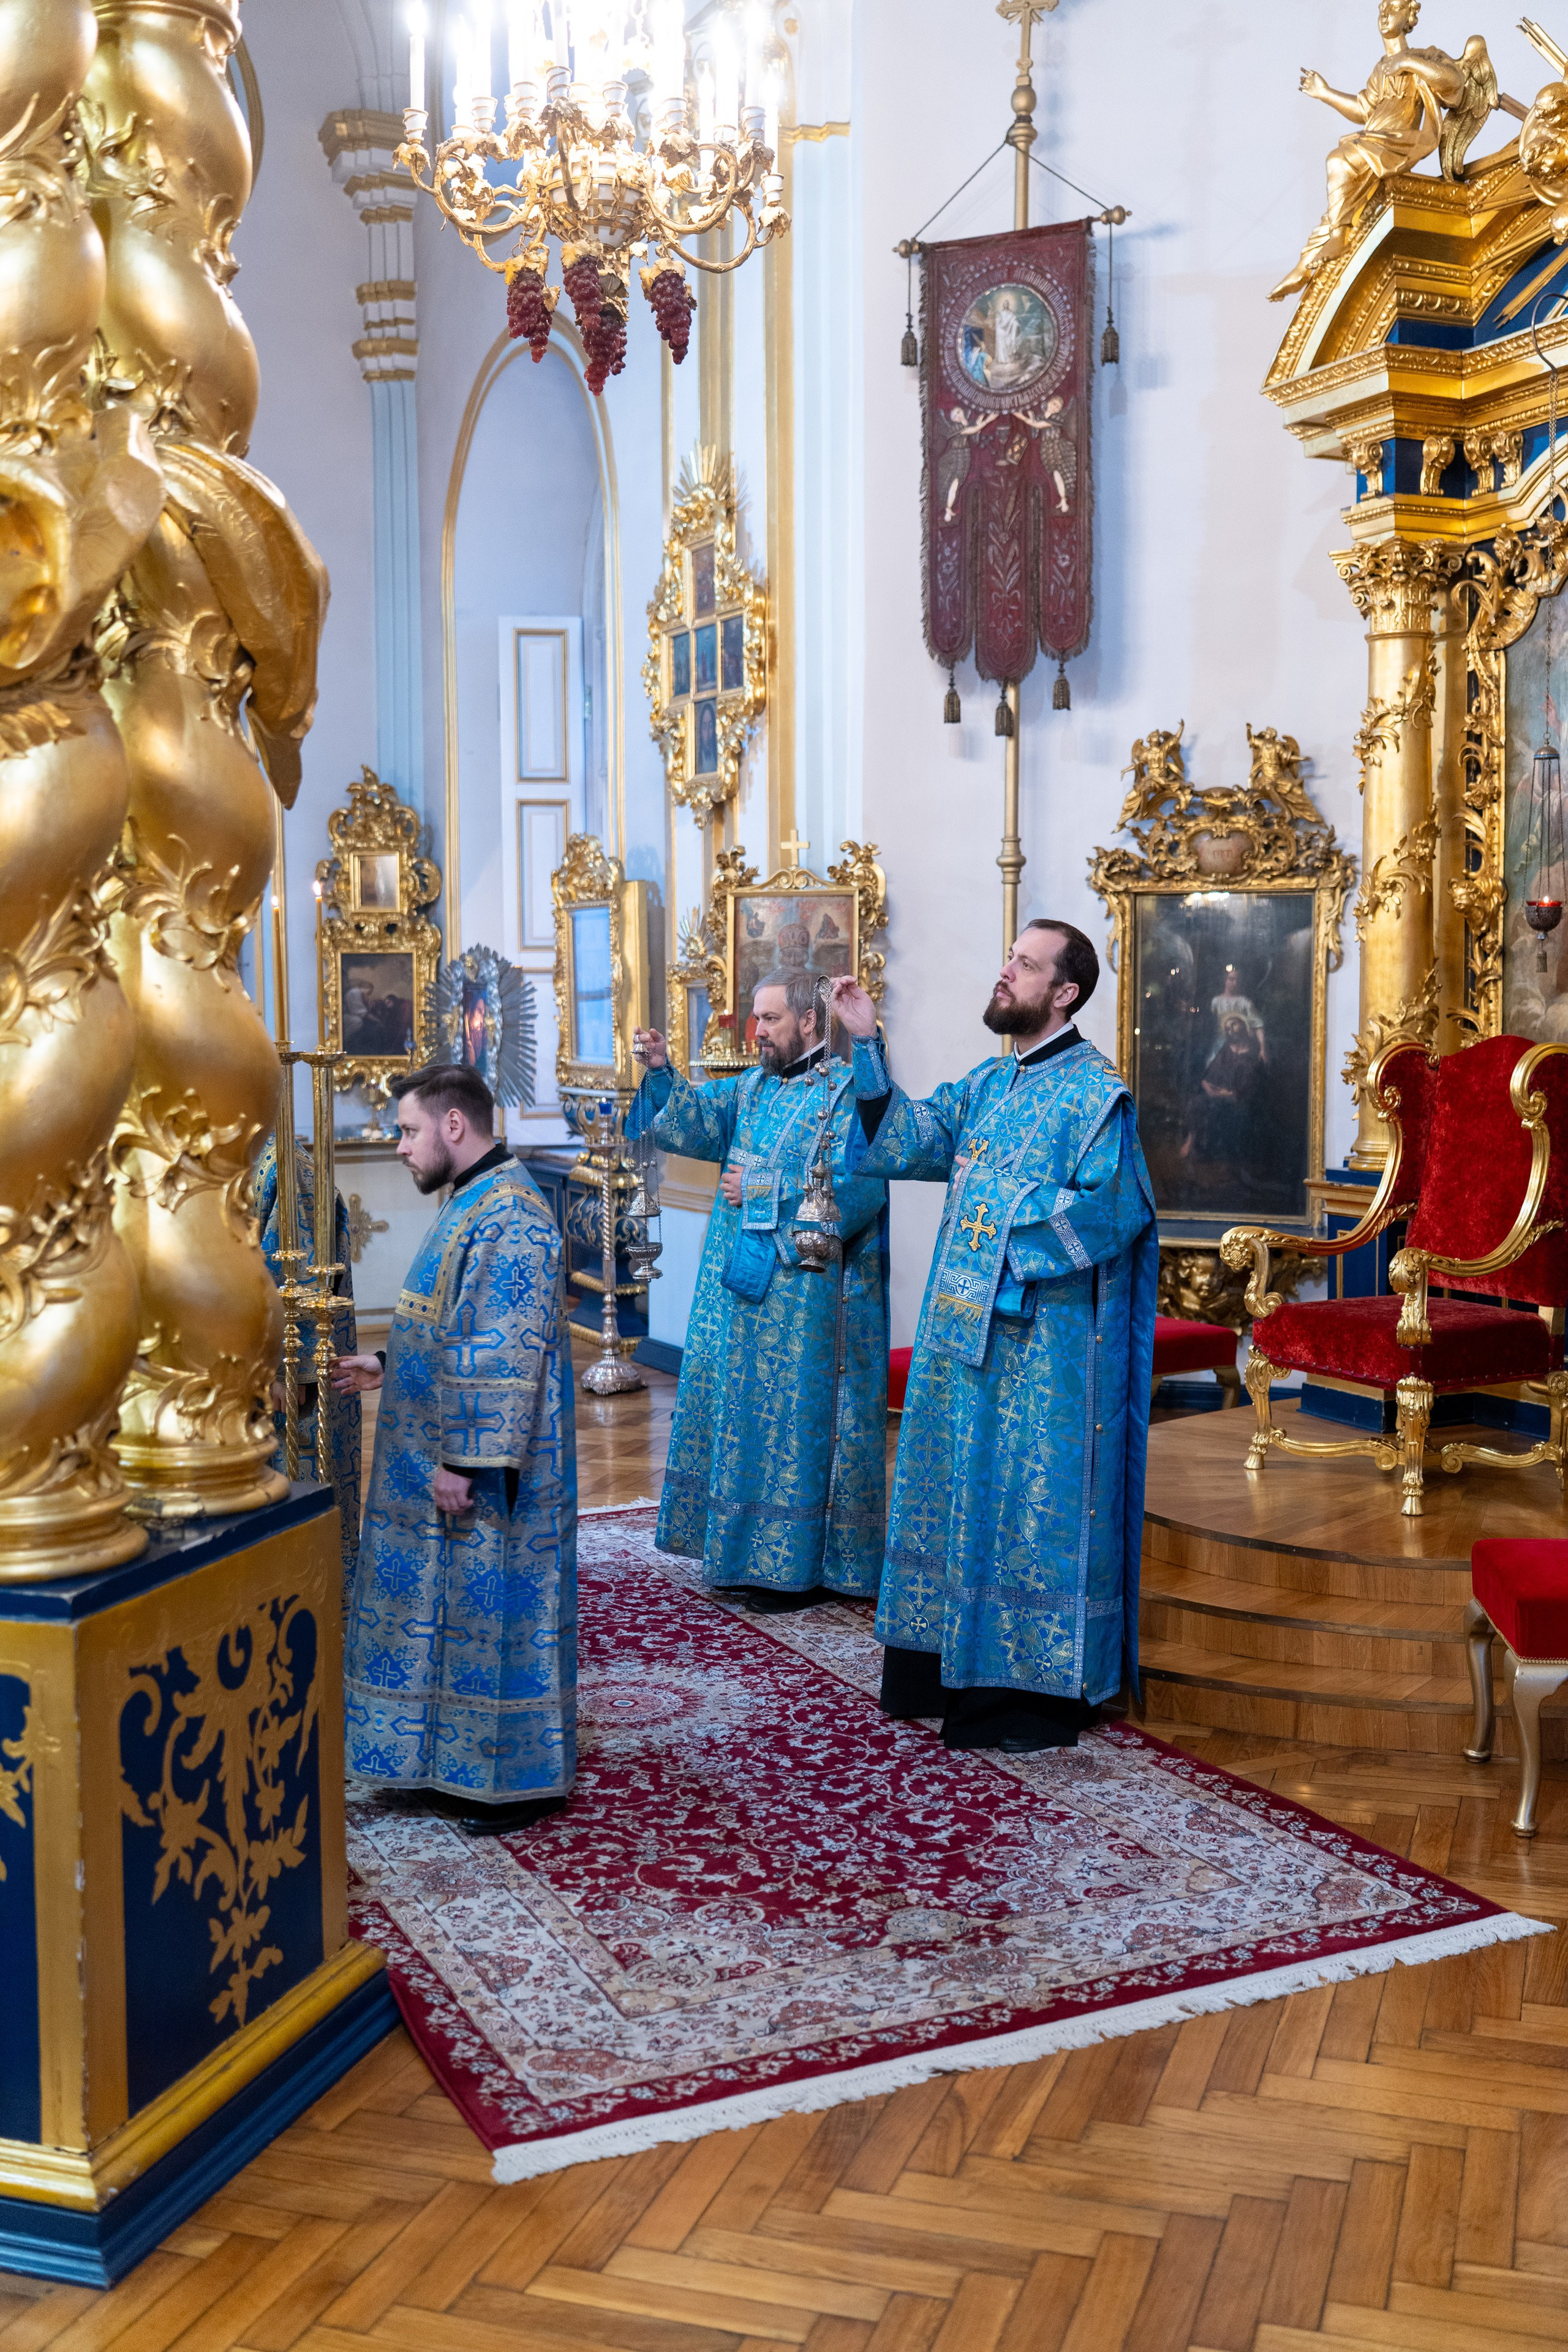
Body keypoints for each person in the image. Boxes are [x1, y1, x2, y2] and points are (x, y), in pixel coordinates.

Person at [831, 921, 1157, 1753]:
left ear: (1066, 992)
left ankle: (1023, 1692)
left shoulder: (1096, 1096)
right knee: (951, 1497)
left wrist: (999, 1239)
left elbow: (1113, 1211)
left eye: (1024, 963)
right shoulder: (988, 1082)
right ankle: (937, 1670)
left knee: (1021, 1509)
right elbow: (907, 1141)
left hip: (1039, 1351)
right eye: (1006, 955)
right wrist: (868, 1045)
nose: (1004, 970)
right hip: (959, 1343)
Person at [331, 1064, 576, 1831]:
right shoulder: (472, 1200)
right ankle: (443, 1763)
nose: (399, 1146)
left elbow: (502, 1351)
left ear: (454, 1127)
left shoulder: (513, 1215)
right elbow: (452, 1322)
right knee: (450, 1609)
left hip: (491, 1471)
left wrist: (465, 1462)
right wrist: (388, 1362)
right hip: (447, 1449)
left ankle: (511, 1783)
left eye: (408, 1130)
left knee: (492, 1612)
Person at [628, 968, 889, 1612]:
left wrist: (767, 1191)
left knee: (793, 1428)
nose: (756, 1031)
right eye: (755, 1017)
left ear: (807, 1021)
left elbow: (861, 1190)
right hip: (737, 1296)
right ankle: (740, 1554)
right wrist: (661, 1069)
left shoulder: (849, 1093)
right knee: (740, 1422)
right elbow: (690, 1128)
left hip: (806, 1303)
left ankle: (799, 1567)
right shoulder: (750, 1087)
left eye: (768, 1018)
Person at [255, 1134, 361, 1588]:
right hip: (249, 1369)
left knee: (296, 1487)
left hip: (286, 1384)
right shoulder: (239, 1161)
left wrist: (285, 1370)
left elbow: (299, 1274)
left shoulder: (287, 1166)